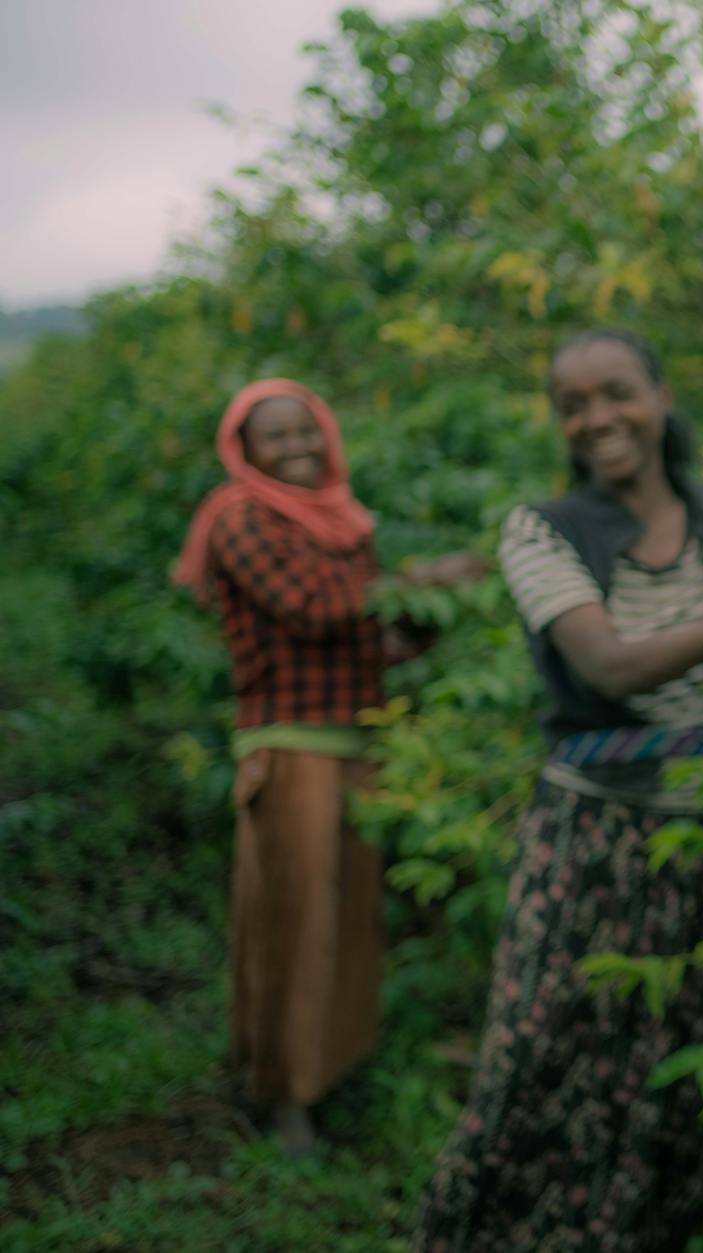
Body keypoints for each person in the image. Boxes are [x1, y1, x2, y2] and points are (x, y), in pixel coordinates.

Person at [415, 329, 703, 1252]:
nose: (598, 417)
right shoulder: (542, 529)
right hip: (591, 840)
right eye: (574, 405)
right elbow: (608, 665)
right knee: (543, 1055)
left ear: (660, 395)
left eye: (616, 393)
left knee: (675, 1066)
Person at [173, 378, 480, 1157]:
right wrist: (425, 578)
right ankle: (283, 1092)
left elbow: (371, 637)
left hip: (359, 745)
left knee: (349, 919)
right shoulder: (239, 516)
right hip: (291, 747)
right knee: (296, 920)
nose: (297, 446)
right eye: (275, 435)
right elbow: (311, 608)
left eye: (305, 430)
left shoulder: (346, 520)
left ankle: (332, 1069)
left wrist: (429, 618)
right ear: (244, 450)